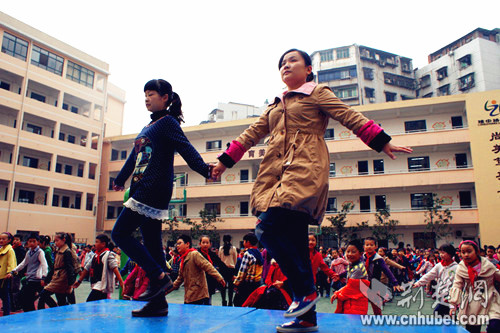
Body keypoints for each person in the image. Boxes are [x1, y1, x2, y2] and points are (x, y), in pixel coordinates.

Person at [211, 48, 412, 332]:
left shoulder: (316, 92)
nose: (286, 66)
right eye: (282, 63)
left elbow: (348, 115)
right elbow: (251, 133)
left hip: (304, 167)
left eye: (293, 61)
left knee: (265, 229)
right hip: (274, 172)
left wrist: (381, 141)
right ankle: (307, 317)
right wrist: (223, 161)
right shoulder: (275, 104)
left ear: (308, 69)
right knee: (295, 242)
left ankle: (304, 292)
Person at [111, 79, 213, 317]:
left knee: (119, 233)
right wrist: (120, 179)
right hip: (141, 188)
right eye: (145, 94)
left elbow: (186, 148)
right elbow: (134, 157)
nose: (147, 98)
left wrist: (205, 170)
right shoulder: (149, 126)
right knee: (153, 244)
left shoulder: (167, 123)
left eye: (152, 94)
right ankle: (158, 305)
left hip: (152, 187)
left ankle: (159, 276)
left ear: (165, 97)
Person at [449, 240, 500, 333]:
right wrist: (453, 304)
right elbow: (457, 285)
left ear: (477, 252)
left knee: (495, 325)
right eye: (463, 252)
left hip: (491, 298)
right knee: (472, 329)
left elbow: (498, 276)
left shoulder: (488, 265)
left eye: (469, 251)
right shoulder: (461, 268)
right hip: (472, 300)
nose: (466, 255)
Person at [166, 235, 225, 306]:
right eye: (177, 244)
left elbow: (208, 266)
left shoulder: (194, 254)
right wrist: (167, 291)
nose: (177, 246)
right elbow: (179, 279)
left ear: (187, 244)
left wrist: (219, 278)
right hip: (189, 296)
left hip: (199, 295)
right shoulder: (183, 259)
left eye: (179, 243)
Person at [73, 234, 124, 302]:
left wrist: (121, 283)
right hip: (95, 283)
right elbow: (86, 268)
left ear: (103, 244)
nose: (95, 244)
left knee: (90, 301)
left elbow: (115, 268)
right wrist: (79, 281)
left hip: (102, 285)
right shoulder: (95, 255)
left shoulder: (108, 255)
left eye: (97, 242)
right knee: (100, 305)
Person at [412, 244, 457, 317]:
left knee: (441, 313)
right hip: (442, 295)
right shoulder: (439, 265)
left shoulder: (456, 267)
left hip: (451, 296)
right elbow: (429, 275)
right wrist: (419, 283)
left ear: (450, 253)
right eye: (440, 253)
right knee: (446, 315)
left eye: (443, 253)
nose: (441, 255)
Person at [7, 233, 48, 312]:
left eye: (34, 241)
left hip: (36, 279)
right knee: (27, 299)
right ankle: (30, 313)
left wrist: (43, 277)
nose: (32, 243)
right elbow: (23, 263)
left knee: (25, 298)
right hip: (29, 278)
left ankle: (31, 314)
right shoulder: (29, 252)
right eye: (30, 241)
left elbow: (44, 264)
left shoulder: (40, 252)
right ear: (27, 242)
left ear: (38, 242)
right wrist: (13, 271)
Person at [363, 237, 401, 315]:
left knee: (376, 306)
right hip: (363, 283)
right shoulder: (362, 257)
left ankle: (379, 320)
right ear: (364, 246)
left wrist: (395, 282)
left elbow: (387, 270)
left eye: (371, 245)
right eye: (367, 245)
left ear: (375, 246)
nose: (369, 246)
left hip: (374, 284)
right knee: (362, 304)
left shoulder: (379, 259)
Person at [330, 239, 370, 315]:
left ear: (361, 253)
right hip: (352, 300)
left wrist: (338, 293)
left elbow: (351, 287)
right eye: (348, 251)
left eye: (353, 252)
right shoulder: (351, 265)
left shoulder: (358, 268)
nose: (350, 254)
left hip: (357, 301)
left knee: (354, 322)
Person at [38, 232, 76, 309]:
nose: (55, 243)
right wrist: (47, 278)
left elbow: (70, 268)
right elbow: (54, 267)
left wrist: (70, 283)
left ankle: (42, 312)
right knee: (61, 300)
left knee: (43, 294)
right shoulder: (59, 251)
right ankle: (61, 313)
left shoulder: (67, 251)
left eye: (57, 240)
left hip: (61, 278)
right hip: (57, 277)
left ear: (64, 240)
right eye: (54, 241)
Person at [233, 233, 264, 307]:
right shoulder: (258, 253)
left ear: (248, 242)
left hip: (247, 285)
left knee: (238, 303)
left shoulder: (247, 254)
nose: (243, 243)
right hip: (257, 283)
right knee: (253, 304)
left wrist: (236, 283)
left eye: (244, 241)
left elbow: (242, 271)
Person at [198, 235, 230, 305]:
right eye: (203, 242)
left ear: (210, 244)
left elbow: (221, 264)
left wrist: (231, 275)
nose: (205, 244)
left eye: (207, 242)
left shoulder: (212, 254)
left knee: (208, 302)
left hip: (209, 282)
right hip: (199, 282)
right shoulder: (196, 254)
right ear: (200, 244)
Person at [0, 232, 16, 315]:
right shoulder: (1, 249)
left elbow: (11, 262)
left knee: (5, 296)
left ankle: (6, 314)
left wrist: (10, 272)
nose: (1, 240)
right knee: (3, 296)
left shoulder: (10, 250)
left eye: (3, 239)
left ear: (9, 240)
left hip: (5, 276)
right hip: (0, 275)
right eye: (0, 238)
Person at [219, 234, 237, 306]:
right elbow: (235, 259)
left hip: (223, 269)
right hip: (231, 268)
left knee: (223, 286)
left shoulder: (221, 248)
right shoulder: (233, 248)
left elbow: (219, 258)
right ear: (230, 240)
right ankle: (230, 302)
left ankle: (224, 301)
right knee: (231, 287)